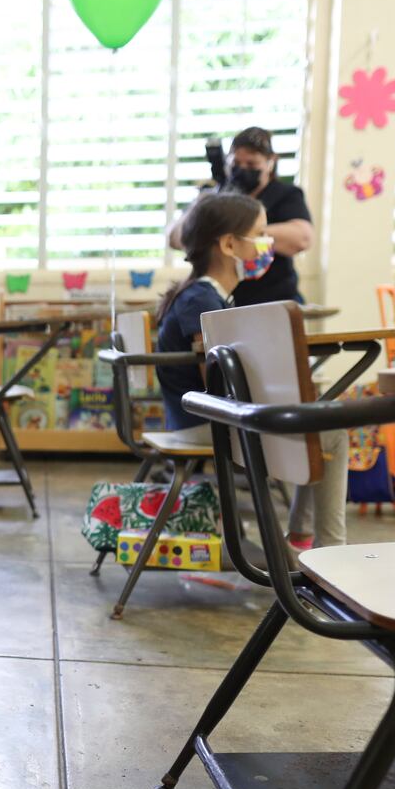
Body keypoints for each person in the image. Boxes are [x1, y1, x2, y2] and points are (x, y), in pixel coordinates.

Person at [156, 192, 346, 551]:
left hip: (202, 422)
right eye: (260, 234)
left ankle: (304, 540)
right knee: (331, 433)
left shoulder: (206, 296)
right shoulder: (201, 301)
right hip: (203, 426)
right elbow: (214, 383)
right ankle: (327, 549)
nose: (268, 243)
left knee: (320, 423)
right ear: (228, 244)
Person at [168, 126, 313, 306]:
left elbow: (302, 239)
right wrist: (206, 199)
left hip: (275, 301)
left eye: (251, 164)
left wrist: (237, 232)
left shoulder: (285, 195)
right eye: (236, 164)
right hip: (223, 300)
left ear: (271, 162)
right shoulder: (217, 195)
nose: (243, 169)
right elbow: (176, 237)